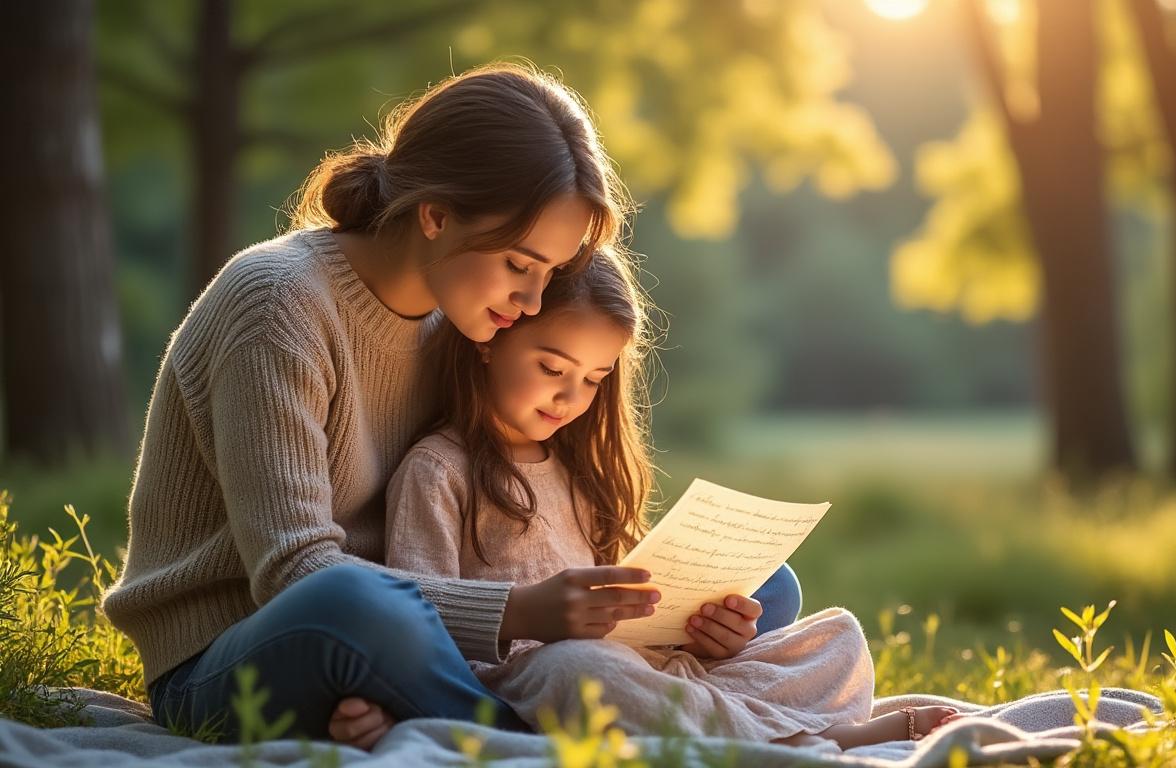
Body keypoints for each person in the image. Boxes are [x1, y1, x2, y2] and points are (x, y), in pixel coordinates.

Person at [100, 62, 803, 749]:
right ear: (435, 215)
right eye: (520, 265)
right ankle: (559, 727)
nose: (532, 302)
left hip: (425, 632)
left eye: (551, 274)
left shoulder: (464, 323)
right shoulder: (278, 302)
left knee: (766, 587)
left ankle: (555, 696)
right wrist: (522, 610)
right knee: (358, 608)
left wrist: (646, 605)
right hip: (236, 654)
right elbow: (293, 574)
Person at [385, 250, 959, 750]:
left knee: (836, 638)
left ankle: (717, 719)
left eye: (593, 378)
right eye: (552, 367)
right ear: (491, 342)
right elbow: (416, 623)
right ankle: (815, 739)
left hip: (645, 668)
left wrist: (701, 633)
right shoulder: (438, 470)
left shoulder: (577, 467)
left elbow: (628, 612)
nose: (570, 396)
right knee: (582, 671)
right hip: (535, 680)